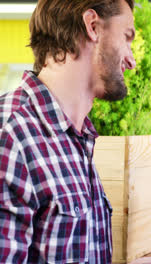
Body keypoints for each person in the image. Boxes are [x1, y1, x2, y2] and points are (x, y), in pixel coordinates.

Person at [0, 0, 135, 262]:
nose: (131, 60)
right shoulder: (12, 134)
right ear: (92, 25)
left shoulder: (77, 138)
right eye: (126, 37)